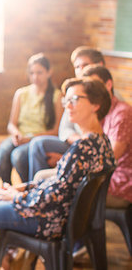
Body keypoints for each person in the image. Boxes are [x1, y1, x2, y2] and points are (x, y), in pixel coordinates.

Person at [0, 78, 115, 268]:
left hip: (44, 218)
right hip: (56, 213)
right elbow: (61, 183)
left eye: (75, 99)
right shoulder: (101, 142)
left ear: (96, 104)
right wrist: (25, 187)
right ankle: (11, 251)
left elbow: (54, 195)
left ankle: (6, 259)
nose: (68, 105)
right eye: (66, 100)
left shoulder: (82, 148)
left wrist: (17, 197)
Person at [28, 47, 106, 178]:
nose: (81, 71)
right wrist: (78, 147)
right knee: (36, 145)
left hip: (87, 152)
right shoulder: (75, 92)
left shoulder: (104, 98)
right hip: (76, 145)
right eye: (77, 67)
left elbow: (98, 147)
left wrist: (70, 156)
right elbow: (64, 130)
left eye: (85, 65)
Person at [0, 53, 63, 184]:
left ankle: (28, 188)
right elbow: (11, 124)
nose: (35, 77)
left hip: (38, 140)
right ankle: (7, 188)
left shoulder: (57, 96)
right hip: (20, 136)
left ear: (49, 72)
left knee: (18, 156)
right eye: (32, 73)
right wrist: (16, 134)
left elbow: (56, 131)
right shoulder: (21, 93)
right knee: (2, 153)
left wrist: (30, 138)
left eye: (39, 72)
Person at [83, 66, 131, 208]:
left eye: (95, 88)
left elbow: (111, 157)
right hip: (105, 174)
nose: (90, 94)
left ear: (108, 85)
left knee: (68, 189)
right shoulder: (104, 110)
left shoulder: (122, 113)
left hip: (121, 181)